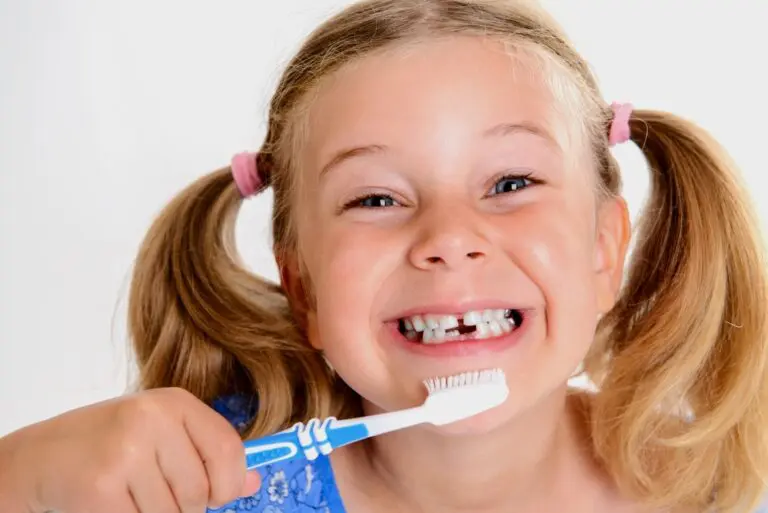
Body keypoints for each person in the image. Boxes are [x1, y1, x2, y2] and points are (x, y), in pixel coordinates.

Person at [1, 0, 767, 512]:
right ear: (301, 288)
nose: (446, 237)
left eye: (509, 182)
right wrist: (23, 480)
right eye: (375, 199)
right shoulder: (209, 481)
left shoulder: (705, 486)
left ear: (605, 251)